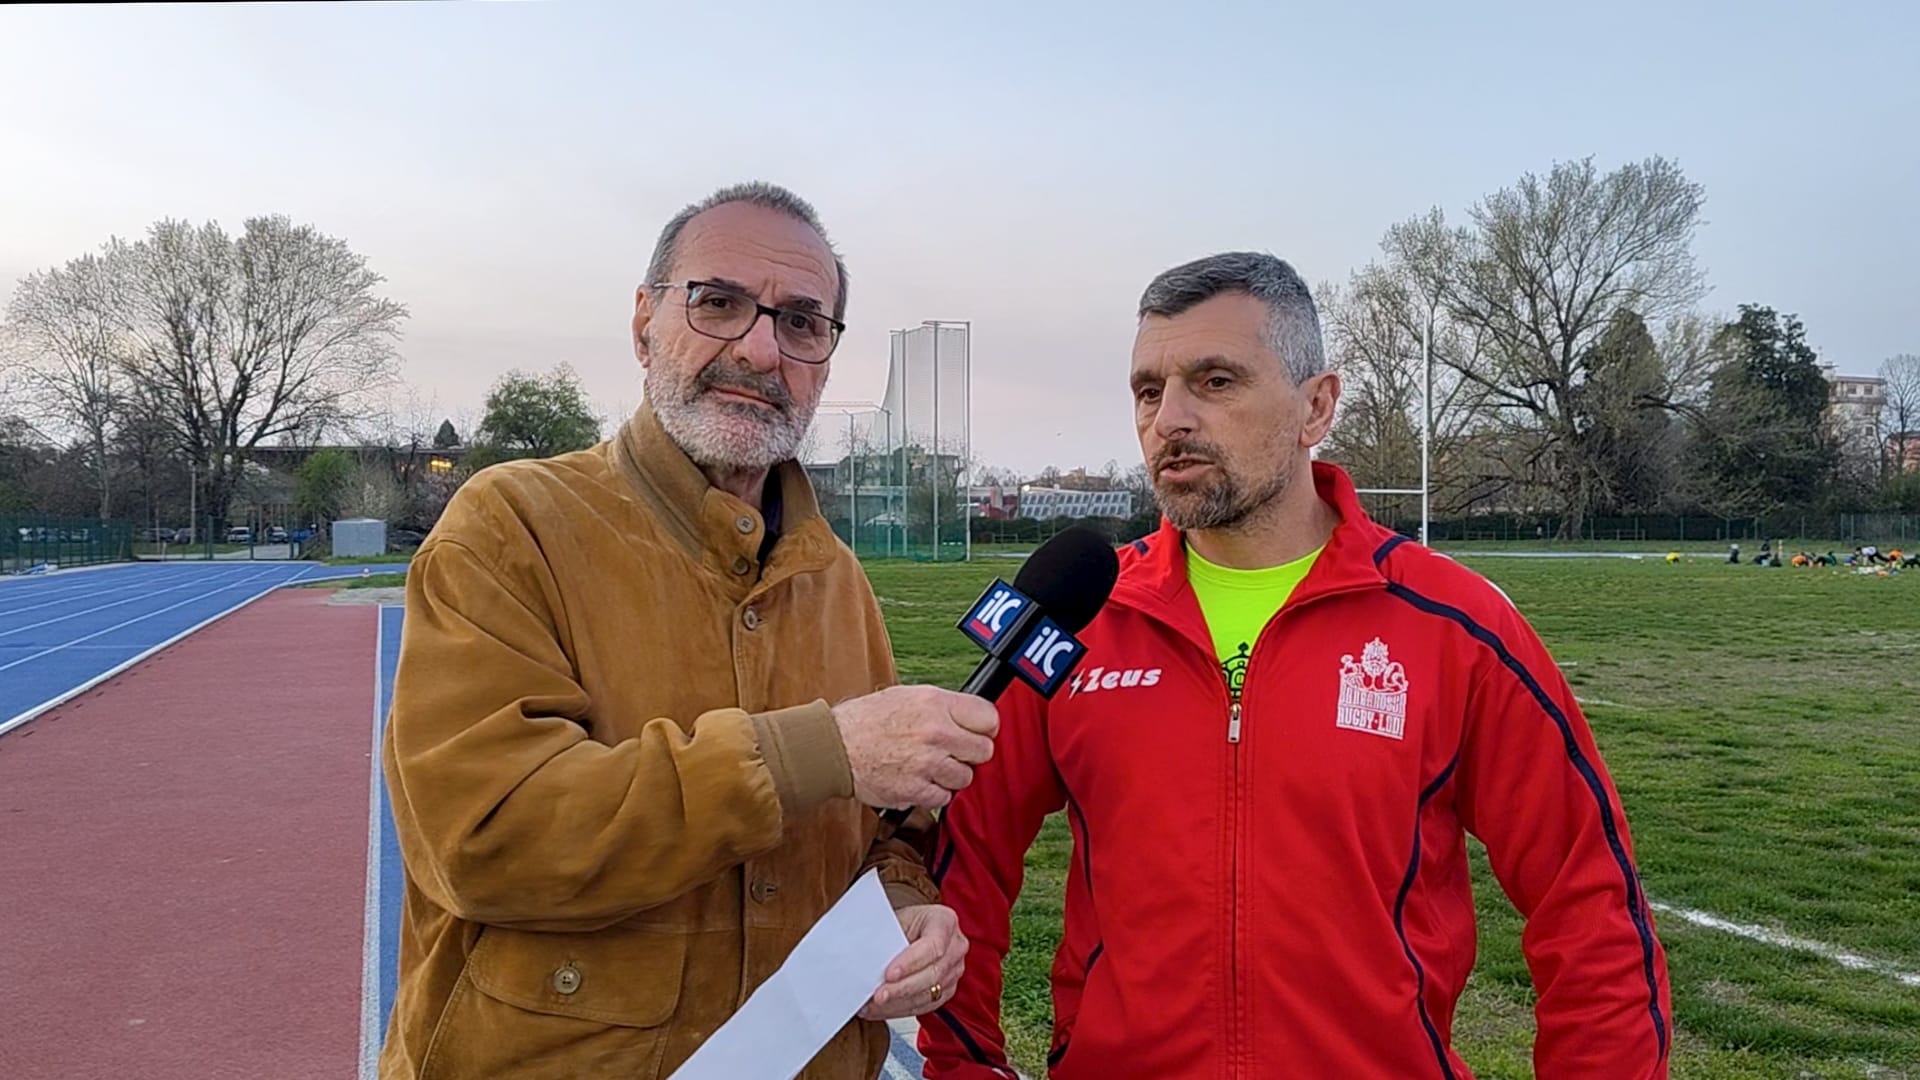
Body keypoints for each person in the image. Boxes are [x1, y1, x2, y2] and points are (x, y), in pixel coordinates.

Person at [922, 252, 1672, 1078]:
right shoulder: (1077, 618)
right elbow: (961, 866)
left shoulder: (1456, 626)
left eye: (1215, 382)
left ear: (1316, 406)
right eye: (1148, 390)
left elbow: (1587, 898)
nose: (1169, 419)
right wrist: (962, 1065)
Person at [380, 182, 998, 1080]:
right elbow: (485, 839)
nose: (759, 349)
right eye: (718, 303)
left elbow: (885, 830)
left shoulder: (838, 582)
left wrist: (904, 906)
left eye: (801, 323)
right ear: (644, 324)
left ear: (825, 360)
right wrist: (813, 751)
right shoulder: (511, 527)